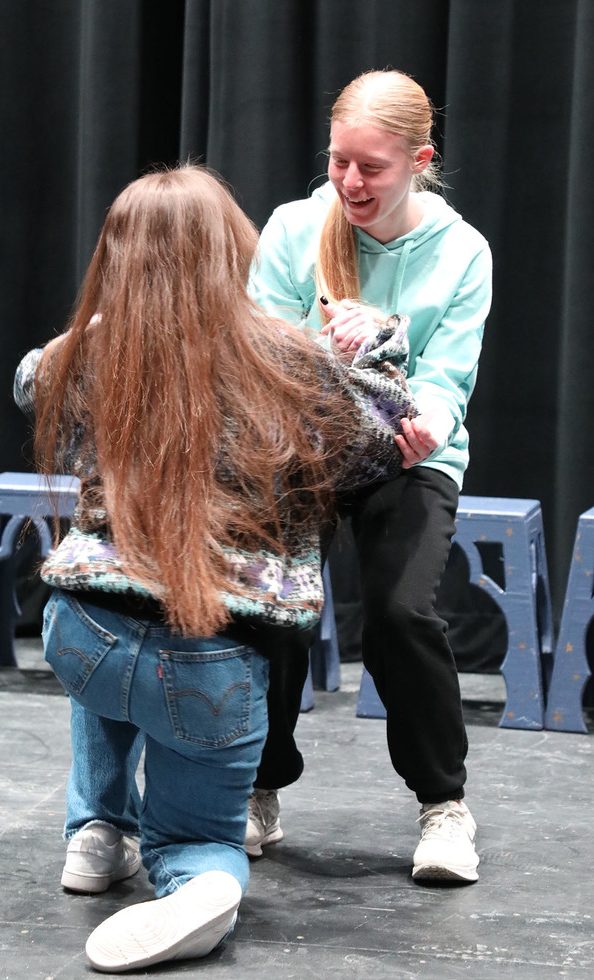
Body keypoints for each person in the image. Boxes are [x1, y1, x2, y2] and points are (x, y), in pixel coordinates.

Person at [14, 165, 416, 972]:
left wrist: (92, 325)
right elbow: (384, 436)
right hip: (212, 663)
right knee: (200, 836)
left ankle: (96, 833)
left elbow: (32, 381)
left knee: (115, 622)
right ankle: (195, 878)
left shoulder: (95, 354)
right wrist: (378, 341)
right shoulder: (288, 358)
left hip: (78, 637)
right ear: (233, 246)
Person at [245, 69, 493, 884]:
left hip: (403, 455)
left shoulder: (460, 252)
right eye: (338, 162)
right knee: (269, 597)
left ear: (418, 159)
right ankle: (258, 783)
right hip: (303, 447)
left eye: (371, 167)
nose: (350, 182)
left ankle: (442, 807)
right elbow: (262, 353)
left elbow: (446, 382)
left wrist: (413, 403)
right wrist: (331, 352)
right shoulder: (292, 227)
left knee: (397, 609)